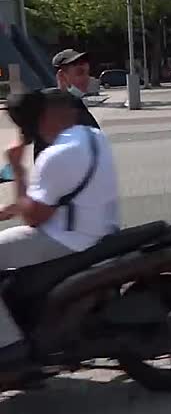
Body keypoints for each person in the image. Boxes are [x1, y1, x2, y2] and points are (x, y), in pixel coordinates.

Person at [0, 89, 120, 367]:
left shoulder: (56, 155)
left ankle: (9, 345)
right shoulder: (93, 136)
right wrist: (13, 208)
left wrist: (17, 169)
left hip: (69, 238)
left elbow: (33, 218)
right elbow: (63, 196)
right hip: (99, 227)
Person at [33, 49, 101, 159]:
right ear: (62, 76)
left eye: (87, 73)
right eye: (80, 73)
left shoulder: (75, 105)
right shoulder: (56, 114)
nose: (86, 78)